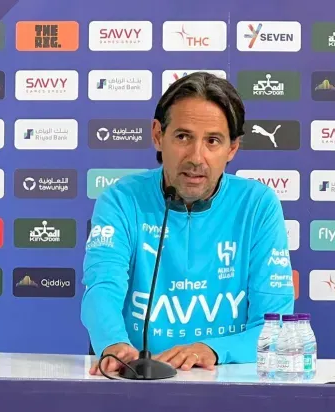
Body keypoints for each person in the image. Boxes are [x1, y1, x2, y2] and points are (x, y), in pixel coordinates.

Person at [81, 72, 295, 376]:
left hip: (224, 384)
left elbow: (274, 327)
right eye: (183, 137)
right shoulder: (121, 200)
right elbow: (102, 287)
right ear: (158, 135)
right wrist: (113, 343)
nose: (196, 157)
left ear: (232, 148)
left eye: (212, 141)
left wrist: (212, 350)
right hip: (135, 381)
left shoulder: (257, 205)